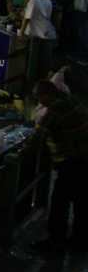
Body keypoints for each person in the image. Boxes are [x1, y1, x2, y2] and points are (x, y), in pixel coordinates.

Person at [33, 80, 88, 253]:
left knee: (59, 201)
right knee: (81, 200)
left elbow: (38, 137)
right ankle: (80, 240)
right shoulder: (73, 100)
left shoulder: (55, 111)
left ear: (47, 95)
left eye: (39, 98)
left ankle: (55, 241)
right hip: (84, 158)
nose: (40, 102)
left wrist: (24, 150)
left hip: (71, 162)